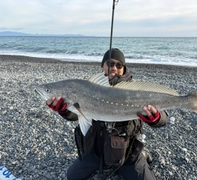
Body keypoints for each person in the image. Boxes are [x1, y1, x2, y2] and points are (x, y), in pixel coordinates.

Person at [46, 48, 168, 180]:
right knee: (72, 176)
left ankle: (141, 155)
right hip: (95, 152)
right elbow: (78, 115)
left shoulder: (135, 90)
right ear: (102, 66)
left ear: (123, 68)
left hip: (127, 154)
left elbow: (163, 117)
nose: (114, 68)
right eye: (110, 64)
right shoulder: (87, 87)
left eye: (119, 65)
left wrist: (156, 119)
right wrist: (64, 111)